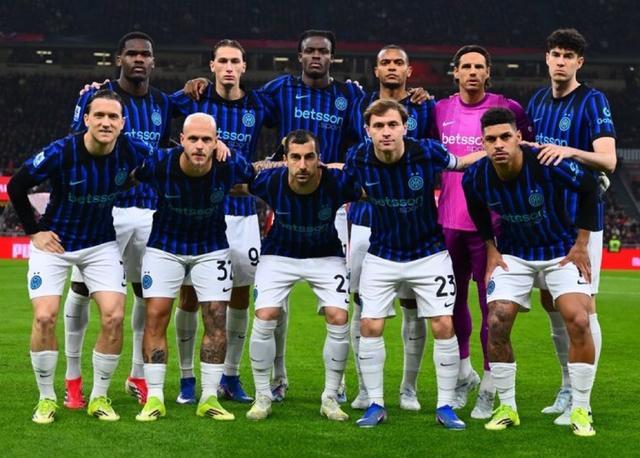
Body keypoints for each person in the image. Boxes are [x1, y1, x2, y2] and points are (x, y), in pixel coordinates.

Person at [186, 30, 364, 401]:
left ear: (332, 57)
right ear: (299, 56)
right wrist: (202, 84)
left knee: (337, 306)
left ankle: (338, 383)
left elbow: (360, 142)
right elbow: (241, 103)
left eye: (323, 51)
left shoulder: (348, 96)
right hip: (285, 200)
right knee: (274, 303)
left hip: (329, 204)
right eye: (310, 51)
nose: (316, 56)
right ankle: (277, 377)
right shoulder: (280, 90)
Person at [8, 89, 151, 423]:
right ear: (86, 119)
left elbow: (170, 158)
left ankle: (99, 397)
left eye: (113, 116)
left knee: (114, 316)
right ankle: (46, 399)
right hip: (56, 244)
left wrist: (215, 146)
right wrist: (34, 231)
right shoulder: (62, 151)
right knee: (45, 317)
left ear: (122, 123)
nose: (106, 122)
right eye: (99, 115)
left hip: (100, 244)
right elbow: (16, 185)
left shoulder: (132, 150)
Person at [343, 99, 484, 429]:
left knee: (443, 325)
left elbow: (462, 163)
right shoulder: (358, 157)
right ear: (367, 131)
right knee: (369, 325)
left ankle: (445, 406)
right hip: (382, 254)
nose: (386, 132)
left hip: (429, 254)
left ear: (404, 128)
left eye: (392, 125)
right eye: (378, 126)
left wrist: (498, 152)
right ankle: (376, 403)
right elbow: (340, 183)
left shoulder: (427, 152)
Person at [463, 107, 600, 437]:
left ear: (519, 137)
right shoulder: (476, 176)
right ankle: (507, 406)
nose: (499, 144)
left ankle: (581, 408)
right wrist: (491, 247)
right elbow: (477, 209)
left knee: (579, 319)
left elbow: (591, 186)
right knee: (496, 321)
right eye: (491, 139)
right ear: (482, 143)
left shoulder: (547, 162)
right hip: (514, 255)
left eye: (505, 137)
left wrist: (582, 243)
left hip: (560, 251)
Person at [62, 31, 173, 408]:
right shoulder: (96, 96)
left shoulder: (162, 103)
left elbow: (167, 149)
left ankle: (137, 375)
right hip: (104, 210)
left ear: (153, 61)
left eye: (145, 54)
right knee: (81, 289)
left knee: (146, 293)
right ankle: (73, 378)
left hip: (150, 210)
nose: (139, 59)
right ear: (119, 59)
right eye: (132, 54)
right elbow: (77, 145)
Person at [169, 39, 276, 404]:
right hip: (199, 209)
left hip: (243, 212)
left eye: (235, 61)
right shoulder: (193, 99)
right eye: (223, 61)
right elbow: (152, 106)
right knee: (189, 295)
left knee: (240, 295)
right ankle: (187, 378)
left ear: (244, 67)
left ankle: (230, 375)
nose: (229, 67)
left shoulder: (258, 104)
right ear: (211, 65)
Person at [133, 113, 256, 422]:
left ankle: (209, 397)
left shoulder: (230, 164)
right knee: (156, 316)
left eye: (206, 140)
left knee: (216, 318)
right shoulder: (160, 163)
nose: (200, 146)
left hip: (211, 248)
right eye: (193, 139)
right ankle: (155, 397)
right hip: (164, 247)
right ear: (181, 140)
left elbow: (255, 174)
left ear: (216, 142)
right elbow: (129, 169)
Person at [433, 45, 533, 418]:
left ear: (488, 72)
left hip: (492, 227)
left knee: (492, 308)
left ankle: (490, 386)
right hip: (448, 222)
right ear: (455, 72)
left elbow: (527, 154)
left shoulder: (509, 108)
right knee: (452, 303)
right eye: (466, 66)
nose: (472, 72)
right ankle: (464, 374)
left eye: (479, 66)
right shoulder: (439, 110)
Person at [526, 28, 616, 425]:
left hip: (582, 220)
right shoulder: (537, 102)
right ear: (546, 58)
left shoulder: (593, 101)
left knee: (582, 308)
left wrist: (569, 152)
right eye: (556, 54)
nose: (561, 61)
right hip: (546, 220)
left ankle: (584, 400)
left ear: (579, 62)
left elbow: (608, 160)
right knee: (551, 303)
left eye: (568, 56)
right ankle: (566, 386)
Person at [240, 129, 361, 421]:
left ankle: (330, 397)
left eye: (309, 157)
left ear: (319, 159)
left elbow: (372, 187)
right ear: (286, 159)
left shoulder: (336, 182)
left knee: (339, 316)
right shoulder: (270, 181)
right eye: (295, 157)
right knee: (265, 315)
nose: (303, 165)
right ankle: (262, 395)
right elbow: (236, 181)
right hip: (279, 254)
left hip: (326, 255)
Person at [346, 44, 435, 412]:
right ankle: (365, 389)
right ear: (376, 70)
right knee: (361, 307)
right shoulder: (359, 103)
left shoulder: (424, 106)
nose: (392, 68)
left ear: (409, 70)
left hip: (412, 224)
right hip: (364, 221)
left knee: (413, 306)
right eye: (386, 63)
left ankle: (408, 388)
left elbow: (431, 155)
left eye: (399, 62)